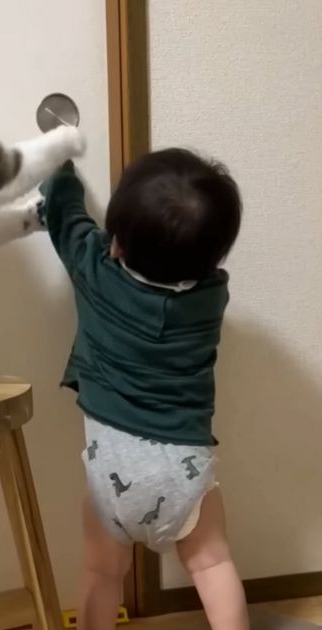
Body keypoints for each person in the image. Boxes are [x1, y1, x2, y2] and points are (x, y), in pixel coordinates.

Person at [39, 148, 247, 629]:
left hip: (112, 469)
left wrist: (60, 163)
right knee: (213, 565)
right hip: (186, 473)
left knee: (100, 572)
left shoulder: (95, 269)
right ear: (213, 257)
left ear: (116, 245)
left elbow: (66, 218)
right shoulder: (212, 297)